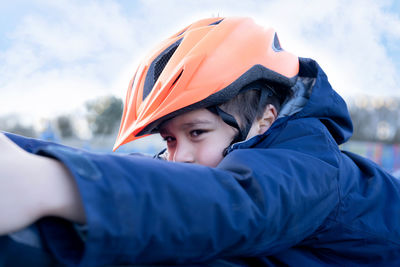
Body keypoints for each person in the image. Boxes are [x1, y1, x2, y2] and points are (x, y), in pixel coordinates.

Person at [0, 16, 399, 266]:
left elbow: (236, 204)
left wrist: (52, 183)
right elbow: (149, 175)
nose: (180, 158)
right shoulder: (220, 157)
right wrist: (22, 152)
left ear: (265, 120)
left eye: (196, 132)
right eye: (170, 140)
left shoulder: (311, 167)